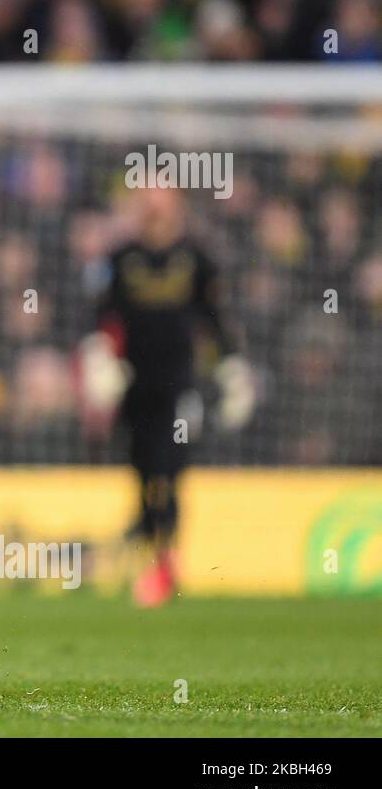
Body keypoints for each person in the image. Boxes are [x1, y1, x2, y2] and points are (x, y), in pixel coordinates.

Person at [79, 184, 254, 606]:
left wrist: (232, 365)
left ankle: (165, 563)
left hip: (180, 385)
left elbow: (214, 317)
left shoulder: (197, 258)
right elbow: (103, 315)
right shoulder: (121, 258)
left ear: (176, 205)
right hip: (135, 384)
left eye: (163, 199)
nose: (156, 208)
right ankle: (150, 557)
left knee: (170, 470)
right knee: (141, 468)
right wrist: (100, 355)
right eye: (149, 200)